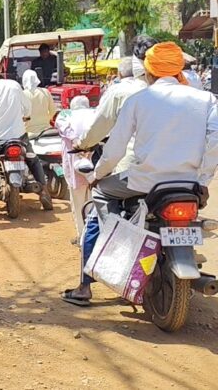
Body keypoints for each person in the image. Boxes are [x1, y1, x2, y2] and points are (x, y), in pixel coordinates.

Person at [62, 38, 157, 306]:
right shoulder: (179, 89)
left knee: (95, 217)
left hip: (132, 170)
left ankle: (84, 286)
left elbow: (101, 129)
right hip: (176, 174)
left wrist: (84, 147)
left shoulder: (122, 92)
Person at [91, 42, 218, 221]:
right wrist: (203, 180)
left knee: (100, 191)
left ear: (149, 72)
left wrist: (97, 175)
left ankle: (115, 240)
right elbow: (215, 142)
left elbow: (115, 148)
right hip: (190, 183)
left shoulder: (137, 101)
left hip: (143, 182)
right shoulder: (207, 99)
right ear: (178, 70)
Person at [0, 68, 53, 212]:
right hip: (18, 135)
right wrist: (25, 116)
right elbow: (27, 107)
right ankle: (44, 191)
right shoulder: (14, 85)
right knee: (32, 158)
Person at [54, 96, 97, 239]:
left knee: (78, 203)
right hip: (96, 161)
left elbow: (64, 128)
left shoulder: (65, 114)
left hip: (74, 162)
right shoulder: (96, 112)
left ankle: (83, 237)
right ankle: (96, 234)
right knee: (96, 200)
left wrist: (77, 141)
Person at [22, 69, 57, 136]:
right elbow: (53, 111)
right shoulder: (45, 92)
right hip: (46, 131)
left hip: (29, 133)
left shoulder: (22, 94)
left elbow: (21, 116)